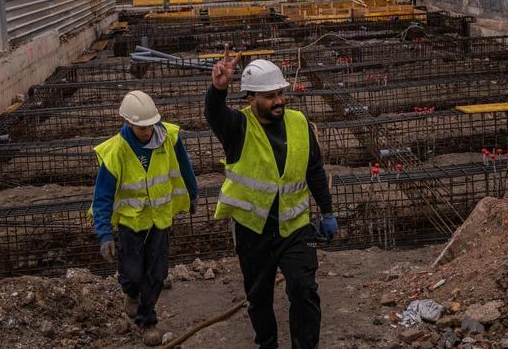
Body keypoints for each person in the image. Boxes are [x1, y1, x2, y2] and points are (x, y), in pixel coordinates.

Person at [206, 54, 337, 349]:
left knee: (304, 290)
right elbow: (214, 115)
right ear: (251, 97)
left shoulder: (299, 122)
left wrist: (327, 211)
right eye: (269, 96)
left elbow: (314, 169)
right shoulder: (238, 127)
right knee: (258, 296)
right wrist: (218, 90)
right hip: (253, 229)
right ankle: (267, 344)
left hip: (294, 227)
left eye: (280, 93)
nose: (278, 100)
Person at [91, 90, 198, 346]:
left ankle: (147, 321)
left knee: (157, 273)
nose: (147, 131)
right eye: (141, 127)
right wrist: (105, 233)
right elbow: (102, 195)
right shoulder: (116, 151)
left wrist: (192, 193)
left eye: (150, 125)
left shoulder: (169, 138)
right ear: (127, 122)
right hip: (132, 222)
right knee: (132, 275)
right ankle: (130, 293)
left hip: (160, 219)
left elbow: (184, 166)